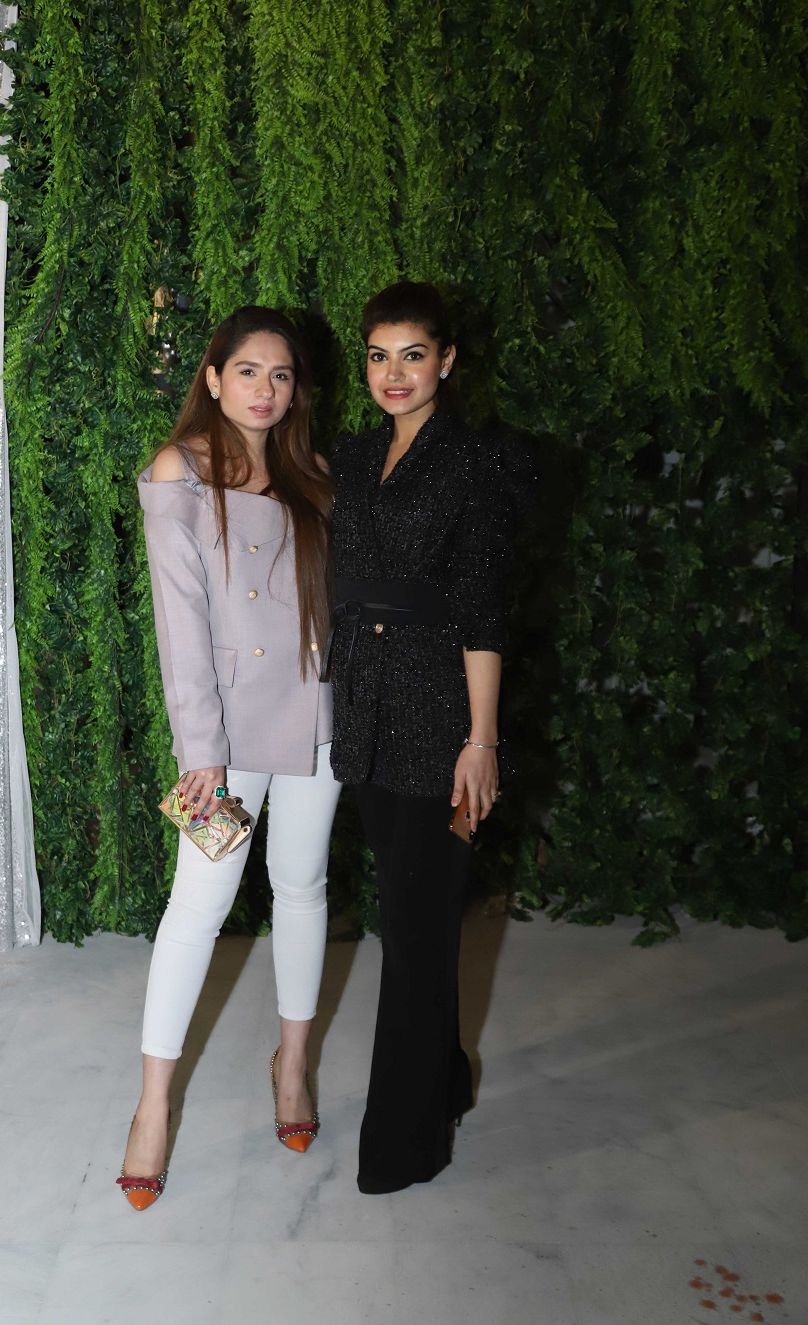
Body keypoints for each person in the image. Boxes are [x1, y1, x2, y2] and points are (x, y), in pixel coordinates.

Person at [119, 306, 340, 1210]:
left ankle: (292, 1063)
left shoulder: (311, 474)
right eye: (248, 370)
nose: (265, 389)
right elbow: (181, 625)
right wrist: (200, 750)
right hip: (226, 735)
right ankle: (152, 1106)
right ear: (212, 376)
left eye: (281, 375)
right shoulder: (179, 470)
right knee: (197, 907)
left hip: (318, 717)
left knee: (304, 885)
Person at [326, 281, 536, 1194]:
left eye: (413, 355)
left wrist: (480, 741)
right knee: (408, 914)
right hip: (364, 711)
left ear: (446, 362)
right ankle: (445, 1078)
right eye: (379, 356)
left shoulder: (477, 463)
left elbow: (484, 611)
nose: (394, 373)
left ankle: (404, 1144)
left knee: (415, 934)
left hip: (441, 715)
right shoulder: (352, 453)